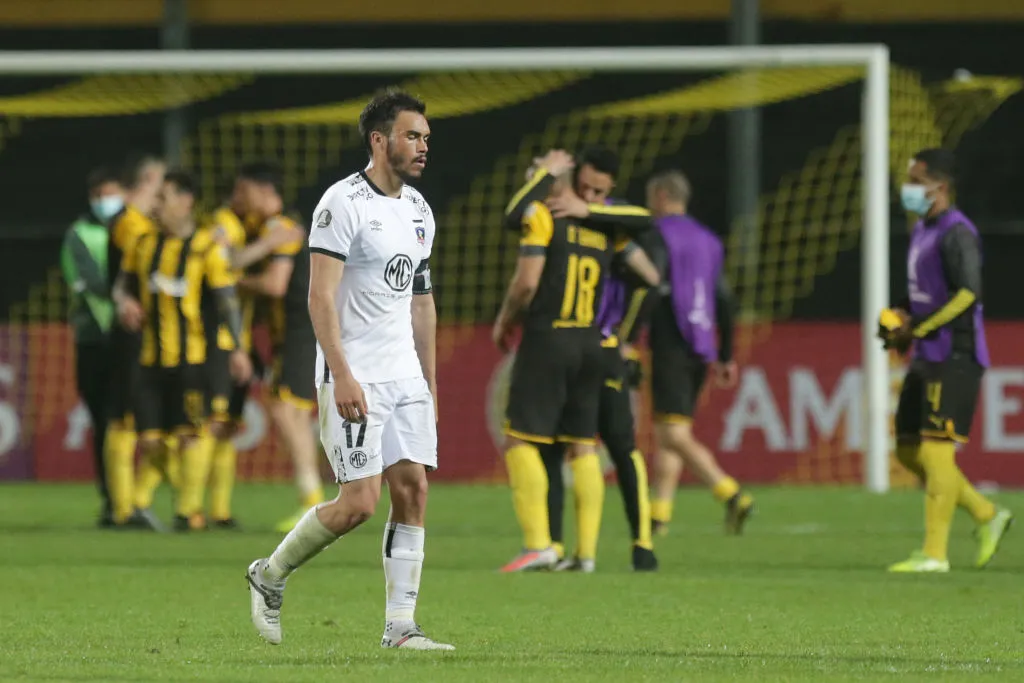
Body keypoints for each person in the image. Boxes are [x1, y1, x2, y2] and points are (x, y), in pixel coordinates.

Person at [246, 89, 453, 651]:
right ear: (379, 140)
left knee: (413, 490)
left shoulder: (419, 209)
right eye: (412, 136)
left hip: (405, 376)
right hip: (356, 372)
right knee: (360, 503)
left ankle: (401, 627)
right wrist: (341, 373)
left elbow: (421, 303)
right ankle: (269, 574)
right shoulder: (342, 203)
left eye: (426, 137)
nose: (423, 146)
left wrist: (430, 385)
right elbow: (319, 296)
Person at [504, 146, 662, 571]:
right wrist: (624, 334)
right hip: (593, 344)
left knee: (522, 439)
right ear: (576, 180)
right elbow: (650, 276)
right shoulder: (608, 229)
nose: (591, 195)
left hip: (552, 338)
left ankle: (540, 544)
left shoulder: (545, 215)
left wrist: (505, 320)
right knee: (584, 445)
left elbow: (524, 274)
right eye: (586, 188)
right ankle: (586, 554)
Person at [879, 148, 1012, 573]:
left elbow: (968, 293)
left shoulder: (958, 232)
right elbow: (924, 291)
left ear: (941, 186)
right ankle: (987, 514)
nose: (908, 188)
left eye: (916, 181)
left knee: (936, 452)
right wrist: (900, 313)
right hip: (927, 353)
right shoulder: (923, 229)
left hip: (956, 354)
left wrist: (917, 328)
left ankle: (934, 554)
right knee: (907, 450)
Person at [113, 171, 252, 532]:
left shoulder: (207, 247)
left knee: (191, 434)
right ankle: (172, 499)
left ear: (185, 201)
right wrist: (124, 302)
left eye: (164, 198)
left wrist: (238, 350)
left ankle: (187, 511)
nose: (156, 205)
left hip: (193, 360)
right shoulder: (143, 244)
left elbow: (227, 303)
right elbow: (121, 286)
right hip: (149, 359)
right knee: (150, 440)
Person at [644, 170, 753, 536]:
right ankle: (659, 516)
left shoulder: (657, 235)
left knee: (673, 435)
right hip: (701, 346)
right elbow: (724, 298)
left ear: (661, 196)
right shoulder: (709, 240)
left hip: (671, 342)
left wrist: (630, 331)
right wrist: (726, 353)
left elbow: (652, 284)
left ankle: (731, 493)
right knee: (671, 431)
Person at [231, 162, 322, 533]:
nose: (238, 198)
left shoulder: (278, 228)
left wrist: (235, 280)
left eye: (244, 191)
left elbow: (274, 285)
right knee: (292, 411)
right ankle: (311, 498)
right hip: (304, 328)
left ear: (265, 192)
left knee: (284, 408)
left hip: (299, 330)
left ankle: (311, 499)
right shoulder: (276, 228)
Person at [104, 153, 166, 528]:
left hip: (157, 335)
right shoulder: (130, 223)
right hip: (134, 335)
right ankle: (125, 508)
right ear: (147, 183)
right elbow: (133, 273)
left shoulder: (146, 225)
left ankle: (135, 502)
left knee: (164, 422)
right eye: (161, 185)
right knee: (124, 418)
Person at [60, 166, 124, 527]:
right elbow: (91, 284)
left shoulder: (137, 229)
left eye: (111, 194)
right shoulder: (79, 234)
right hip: (94, 340)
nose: (105, 202)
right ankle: (113, 500)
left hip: (132, 340)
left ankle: (138, 498)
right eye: (100, 195)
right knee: (103, 419)